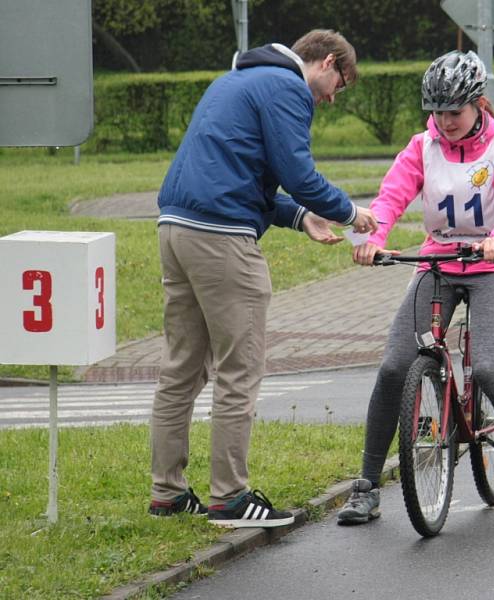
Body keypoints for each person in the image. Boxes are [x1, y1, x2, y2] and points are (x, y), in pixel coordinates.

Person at [149, 29, 378, 528]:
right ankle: (229, 499)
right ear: (328, 61)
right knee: (240, 368)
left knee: (181, 369)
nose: (333, 96)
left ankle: (167, 493)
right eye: (340, 84)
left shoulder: (235, 81)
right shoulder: (287, 87)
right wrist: (348, 213)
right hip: (222, 238)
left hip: (175, 228)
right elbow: (297, 173)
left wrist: (301, 218)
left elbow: (242, 173)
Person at [337, 50, 494, 526]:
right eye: (438, 111)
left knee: (485, 366)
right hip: (438, 261)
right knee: (394, 365)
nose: (445, 121)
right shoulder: (422, 146)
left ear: (477, 104)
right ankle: (364, 488)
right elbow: (390, 198)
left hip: (493, 264)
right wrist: (372, 239)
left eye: (454, 112)